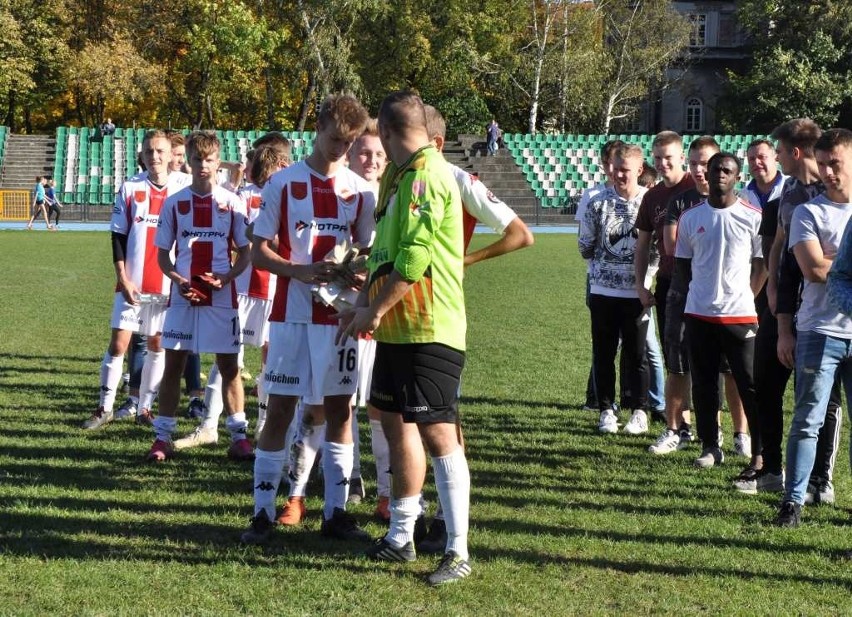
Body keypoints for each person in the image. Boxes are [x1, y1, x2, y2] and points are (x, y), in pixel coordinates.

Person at [336, 90, 471, 586]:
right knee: (395, 425)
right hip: (397, 327)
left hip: (429, 327)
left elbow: (413, 262)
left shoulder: (429, 175)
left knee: (439, 434)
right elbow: (388, 257)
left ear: (390, 133)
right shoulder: (403, 173)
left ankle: (457, 550)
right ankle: (401, 536)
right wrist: (361, 299)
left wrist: (371, 311)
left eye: (380, 140)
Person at [239, 93, 375, 545]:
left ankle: (335, 514)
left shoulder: (361, 190)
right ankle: (260, 513)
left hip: (339, 320)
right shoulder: (283, 183)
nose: (340, 148)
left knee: (340, 409)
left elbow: (367, 252)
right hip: (291, 315)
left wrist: (353, 271)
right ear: (317, 130)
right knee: (280, 409)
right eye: (335, 139)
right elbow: (259, 249)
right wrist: (297, 270)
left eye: (348, 141)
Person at [740, 119, 842, 500]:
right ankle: (770, 467)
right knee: (764, 379)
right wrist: (771, 289)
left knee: (821, 399)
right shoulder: (789, 194)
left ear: (794, 152)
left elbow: (822, 262)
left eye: (779, 151)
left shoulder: (834, 193)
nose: (777, 157)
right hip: (782, 305)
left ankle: (819, 479)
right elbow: (779, 243)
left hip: (825, 312)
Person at [146, 130, 252, 462]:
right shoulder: (175, 204)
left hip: (221, 297)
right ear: (187, 160)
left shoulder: (232, 202)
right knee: (174, 364)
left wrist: (228, 276)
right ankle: (162, 438)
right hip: (183, 296)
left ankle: (239, 436)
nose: (202, 165)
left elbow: (247, 252)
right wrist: (177, 279)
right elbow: (163, 255)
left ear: (218, 162)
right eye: (196, 158)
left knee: (229, 366)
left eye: (209, 159)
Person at [82, 130, 191, 430]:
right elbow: (118, 235)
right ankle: (103, 407)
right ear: (141, 155)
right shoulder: (130, 187)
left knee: (157, 345)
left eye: (159, 151)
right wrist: (123, 277)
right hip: (132, 284)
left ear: (171, 155)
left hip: (168, 285)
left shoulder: (185, 187)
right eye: (148, 151)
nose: (154, 156)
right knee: (119, 345)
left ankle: (144, 408)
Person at [775, 128, 852, 527]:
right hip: (819, 329)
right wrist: (835, 266)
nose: (826, 173)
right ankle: (793, 502)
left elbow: (828, 266)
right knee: (808, 419)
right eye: (822, 165)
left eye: (835, 164)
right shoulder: (809, 211)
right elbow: (812, 269)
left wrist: (832, 262)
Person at [674, 153, 766, 469]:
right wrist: (697, 298)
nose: (720, 175)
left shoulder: (753, 217)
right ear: (706, 174)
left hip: (739, 316)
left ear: (737, 177)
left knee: (749, 385)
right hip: (699, 315)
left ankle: (758, 451)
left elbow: (762, 265)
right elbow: (683, 268)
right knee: (703, 384)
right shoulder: (690, 218)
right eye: (715, 170)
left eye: (727, 170)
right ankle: (711, 446)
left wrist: (745, 296)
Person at [578, 143, 649, 435]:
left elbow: (655, 249)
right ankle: (606, 410)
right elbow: (585, 247)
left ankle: (639, 410)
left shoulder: (650, 201)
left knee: (637, 356)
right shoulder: (596, 201)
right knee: (604, 353)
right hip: (603, 290)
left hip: (637, 293)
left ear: (640, 170)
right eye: (617, 169)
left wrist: (646, 279)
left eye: (627, 170)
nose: (620, 175)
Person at [634, 131, 696, 450]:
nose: (662, 163)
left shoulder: (697, 189)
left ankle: (719, 431)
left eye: (668, 157)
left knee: (710, 361)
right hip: (670, 284)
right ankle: (680, 428)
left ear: (681, 157)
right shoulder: (652, 197)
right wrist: (641, 284)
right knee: (676, 359)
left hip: (704, 284)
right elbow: (643, 245)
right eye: (657, 157)